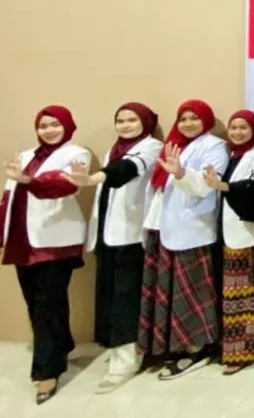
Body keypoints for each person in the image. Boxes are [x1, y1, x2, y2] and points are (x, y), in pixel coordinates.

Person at [0, 106, 91, 404]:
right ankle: (62, 345)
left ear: (68, 126)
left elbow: (63, 186)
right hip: (22, 242)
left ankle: (47, 371)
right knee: (37, 303)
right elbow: (7, 200)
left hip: (56, 241)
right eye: (43, 126)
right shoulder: (25, 155)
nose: (49, 130)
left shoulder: (77, 154)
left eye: (55, 124)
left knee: (47, 305)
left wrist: (28, 180)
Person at [70, 103, 162, 393]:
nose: (125, 125)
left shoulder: (152, 147)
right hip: (107, 234)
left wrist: (92, 178)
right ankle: (117, 348)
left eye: (132, 119)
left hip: (131, 236)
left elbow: (126, 170)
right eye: (120, 120)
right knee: (109, 295)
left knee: (126, 299)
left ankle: (127, 360)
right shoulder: (115, 148)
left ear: (145, 122)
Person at [137, 99, 229, 380]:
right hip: (161, 228)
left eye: (194, 118)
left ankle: (196, 349)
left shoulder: (214, 146)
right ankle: (169, 346)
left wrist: (180, 172)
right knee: (166, 292)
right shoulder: (173, 145)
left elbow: (206, 186)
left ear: (206, 120)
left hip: (192, 230)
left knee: (190, 294)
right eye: (183, 118)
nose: (188, 124)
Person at [201, 110, 254, 375]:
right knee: (232, 294)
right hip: (222, 231)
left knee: (241, 296)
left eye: (244, 128)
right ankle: (233, 346)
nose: (238, 132)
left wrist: (222, 186)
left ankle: (242, 352)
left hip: (244, 235)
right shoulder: (229, 155)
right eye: (234, 128)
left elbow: (252, 186)